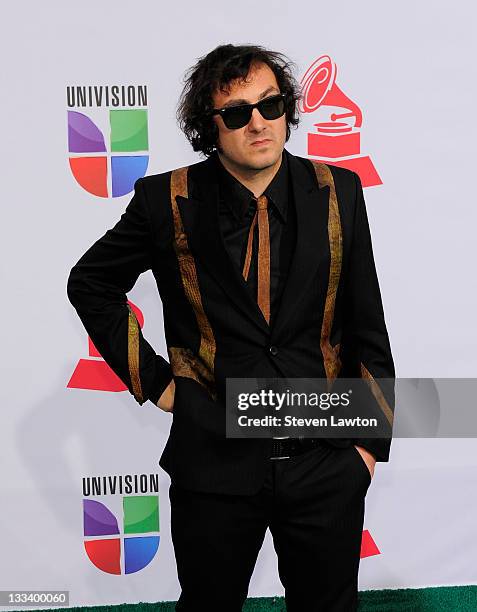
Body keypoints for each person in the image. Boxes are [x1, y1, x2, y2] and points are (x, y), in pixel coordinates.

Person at [67, 44, 395, 611]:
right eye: (237, 113)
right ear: (208, 127)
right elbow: (90, 283)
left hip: (325, 460)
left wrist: (367, 446)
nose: (259, 123)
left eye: (270, 105)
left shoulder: (340, 191)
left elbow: (368, 322)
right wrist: (159, 384)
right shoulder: (164, 201)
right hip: (213, 464)